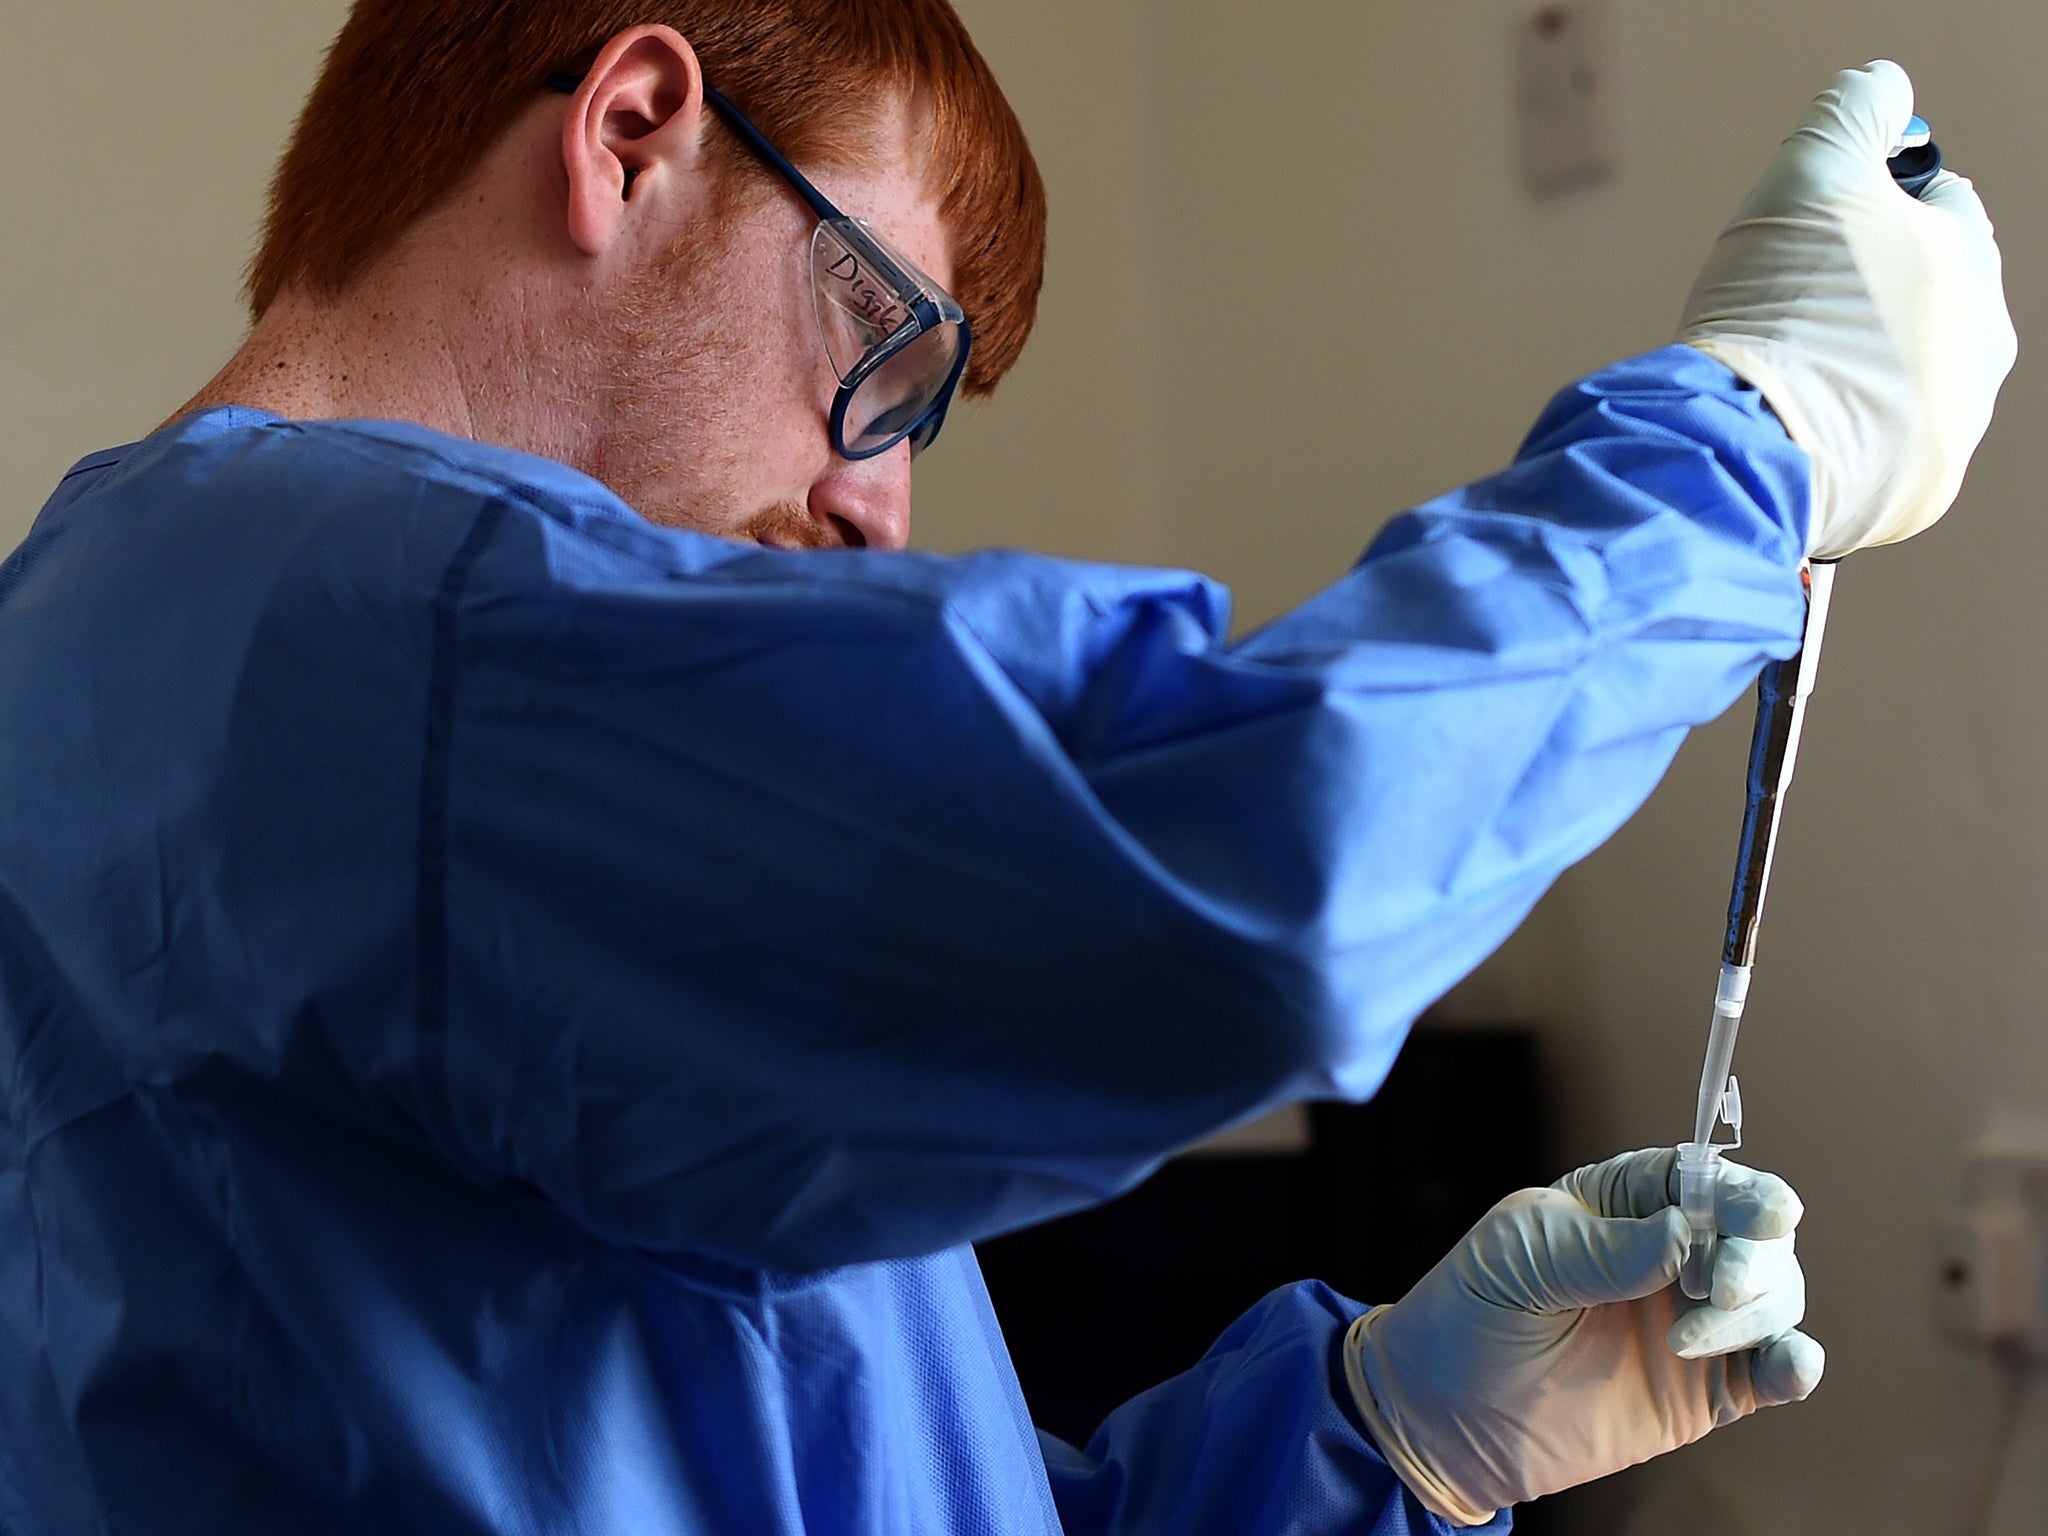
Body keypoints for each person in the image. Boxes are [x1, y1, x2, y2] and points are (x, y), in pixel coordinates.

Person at [0, 0, 2012, 1525]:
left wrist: (1379, 1433)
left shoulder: (135, 657)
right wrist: (1747, 445)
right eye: (884, 365)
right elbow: (1260, 861)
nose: (879, 512)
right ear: (631, 134)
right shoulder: (364, 636)